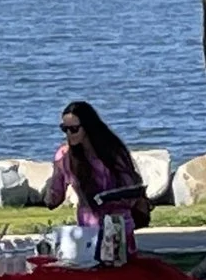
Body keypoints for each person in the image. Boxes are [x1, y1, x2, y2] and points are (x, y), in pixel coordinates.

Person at [42, 100, 151, 246]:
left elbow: (130, 191)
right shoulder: (64, 157)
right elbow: (54, 198)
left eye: (73, 129)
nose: (68, 134)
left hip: (118, 228)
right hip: (89, 233)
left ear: (88, 127)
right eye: (64, 129)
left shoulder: (113, 152)